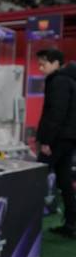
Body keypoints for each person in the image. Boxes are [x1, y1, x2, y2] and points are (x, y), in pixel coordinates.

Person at [36, 49, 76, 238]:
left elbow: (56, 114)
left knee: (36, 178)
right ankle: (71, 224)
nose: (40, 68)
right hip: (68, 138)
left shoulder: (59, 81)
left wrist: (46, 141)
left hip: (57, 139)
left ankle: (24, 225)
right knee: (64, 181)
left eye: (43, 64)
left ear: (56, 63)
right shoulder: (69, 80)